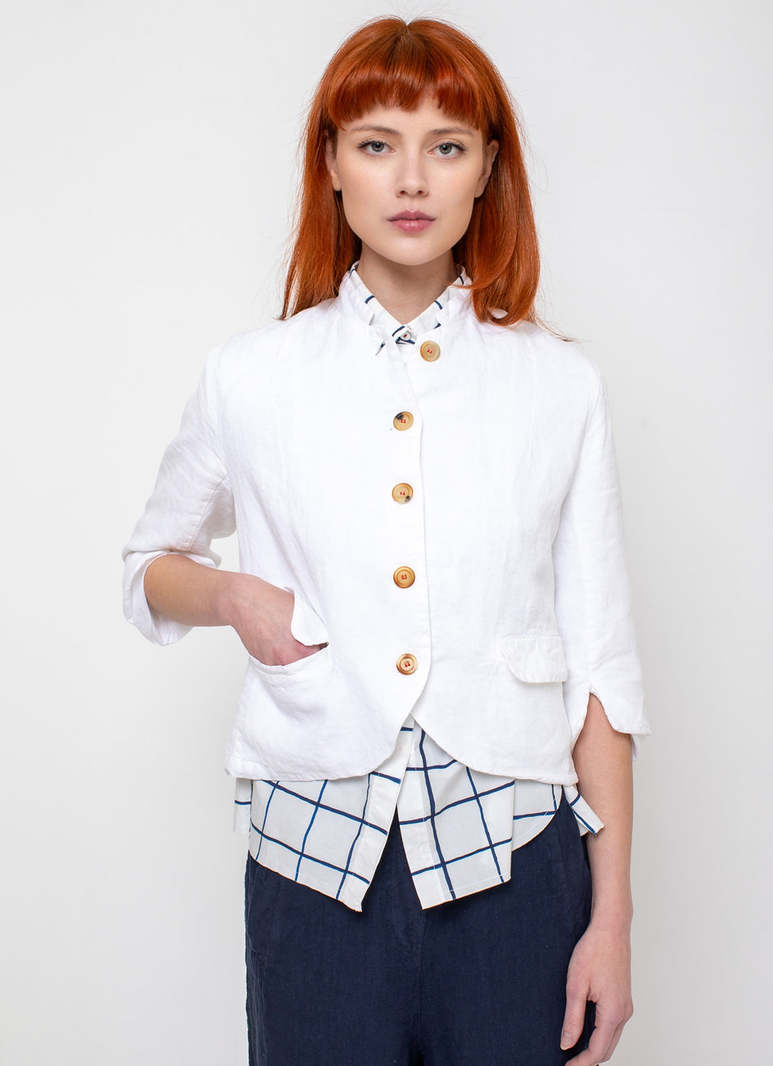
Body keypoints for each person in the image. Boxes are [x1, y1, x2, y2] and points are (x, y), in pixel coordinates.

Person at [121, 15, 652, 1066]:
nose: (411, 179)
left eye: (445, 146)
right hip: (311, 873)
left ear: (486, 169)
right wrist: (232, 596)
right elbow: (148, 571)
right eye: (376, 144)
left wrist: (612, 922)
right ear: (330, 163)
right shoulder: (252, 376)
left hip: (515, 869)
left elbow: (601, 667)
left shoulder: (557, 384)